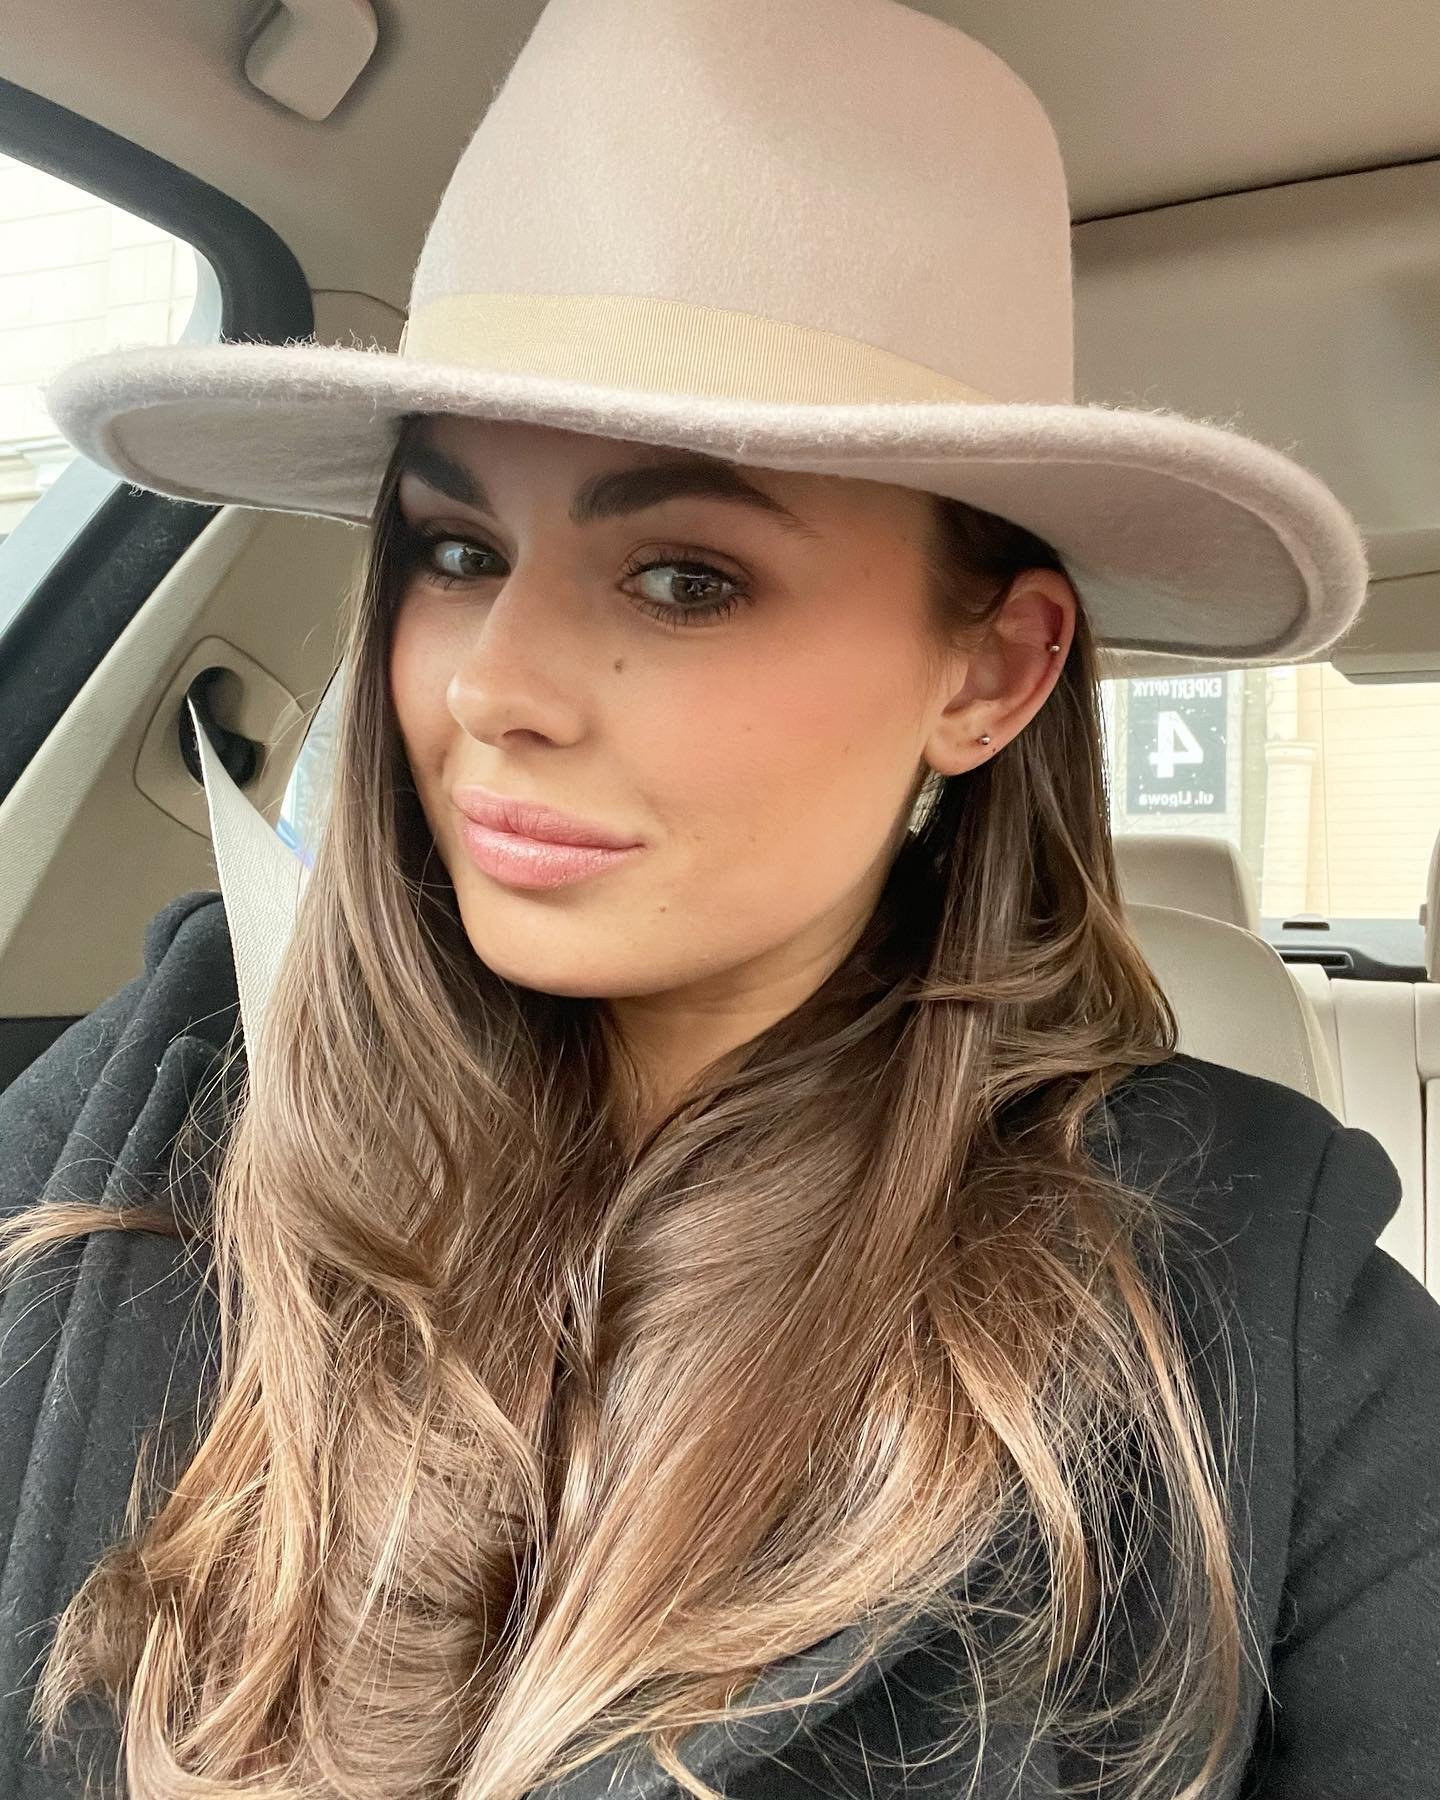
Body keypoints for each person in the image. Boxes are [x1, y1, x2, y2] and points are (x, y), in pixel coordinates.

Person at [2, 0, 1437, 1795]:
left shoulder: (1251, 1301)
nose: (491, 686)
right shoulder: (171, 1088)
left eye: (685, 578)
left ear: (992, 673)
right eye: (456, 549)